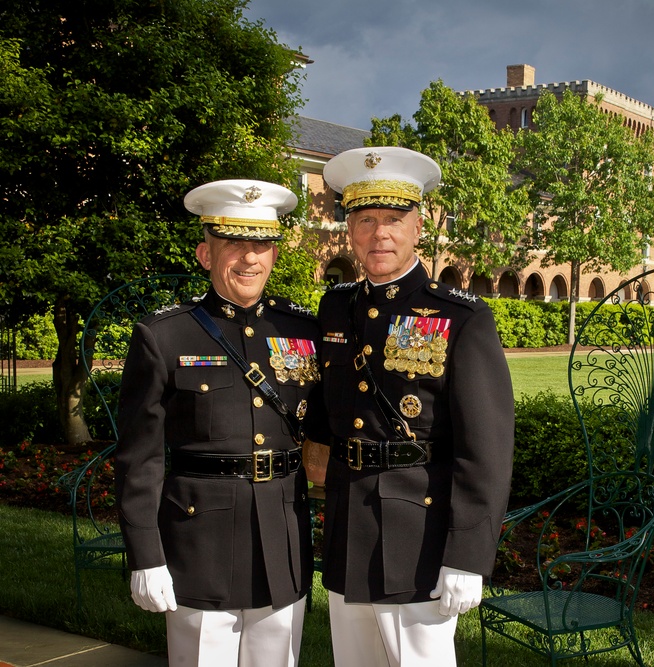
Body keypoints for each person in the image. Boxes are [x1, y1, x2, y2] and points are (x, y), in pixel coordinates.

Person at [307, 146, 515, 667]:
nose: (381, 234)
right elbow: (324, 410)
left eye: (394, 220)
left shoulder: (461, 317)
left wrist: (466, 557)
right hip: (348, 522)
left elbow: (485, 449)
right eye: (366, 219)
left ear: (418, 227)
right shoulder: (336, 306)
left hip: (419, 536)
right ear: (349, 230)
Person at [114, 179, 320, 667]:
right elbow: (138, 458)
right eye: (233, 243)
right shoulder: (163, 335)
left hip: (282, 540)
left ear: (274, 254)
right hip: (198, 543)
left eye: (261, 245)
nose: (249, 259)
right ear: (205, 254)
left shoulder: (302, 331)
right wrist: (146, 553)